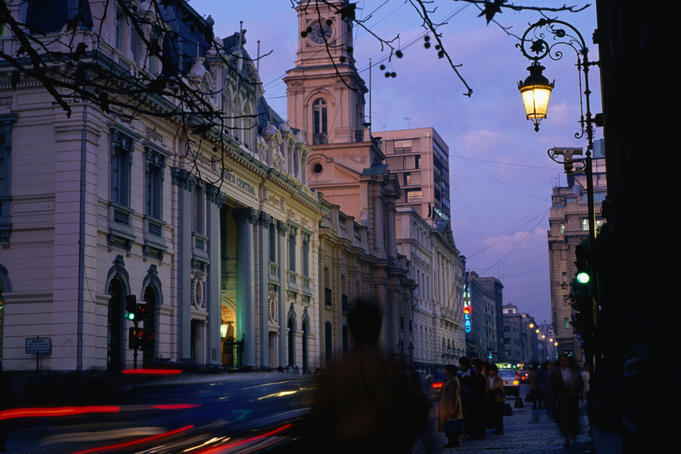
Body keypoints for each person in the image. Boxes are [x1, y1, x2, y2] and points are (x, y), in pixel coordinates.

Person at [307, 299, 430, 454]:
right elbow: (415, 416)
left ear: (351, 330)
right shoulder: (393, 369)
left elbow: (318, 420)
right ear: (378, 328)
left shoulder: (334, 372)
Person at [551, 355, 584, 448]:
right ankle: (567, 438)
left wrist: (579, 392)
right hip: (562, 399)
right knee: (564, 419)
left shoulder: (574, 371)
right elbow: (553, 385)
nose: (564, 362)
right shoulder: (556, 372)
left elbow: (580, 382)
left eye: (565, 360)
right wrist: (554, 397)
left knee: (573, 418)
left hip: (573, 398)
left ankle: (573, 435)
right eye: (562, 361)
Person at [459, 357, 486, 440]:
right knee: (471, 417)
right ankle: (473, 433)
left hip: (475, 400)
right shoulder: (466, 374)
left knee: (475, 417)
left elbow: (478, 387)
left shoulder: (473, 374)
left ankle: (477, 433)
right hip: (471, 399)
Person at [438, 364, 464, 448]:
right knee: (448, 424)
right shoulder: (449, 380)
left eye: (445, 370)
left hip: (449, 406)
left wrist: (453, 408)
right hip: (446, 405)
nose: (444, 371)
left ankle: (453, 441)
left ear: (449, 371)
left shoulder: (453, 381)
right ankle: (451, 440)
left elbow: (453, 395)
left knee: (451, 424)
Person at [486, 364, 506, 435]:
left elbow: (497, 387)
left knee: (499, 415)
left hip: (499, 398)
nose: (490, 372)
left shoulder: (498, 378)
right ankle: (497, 428)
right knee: (495, 415)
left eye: (491, 371)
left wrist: (488, 389)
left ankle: (500, 429)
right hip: (492, 398)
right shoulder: (488, 378)